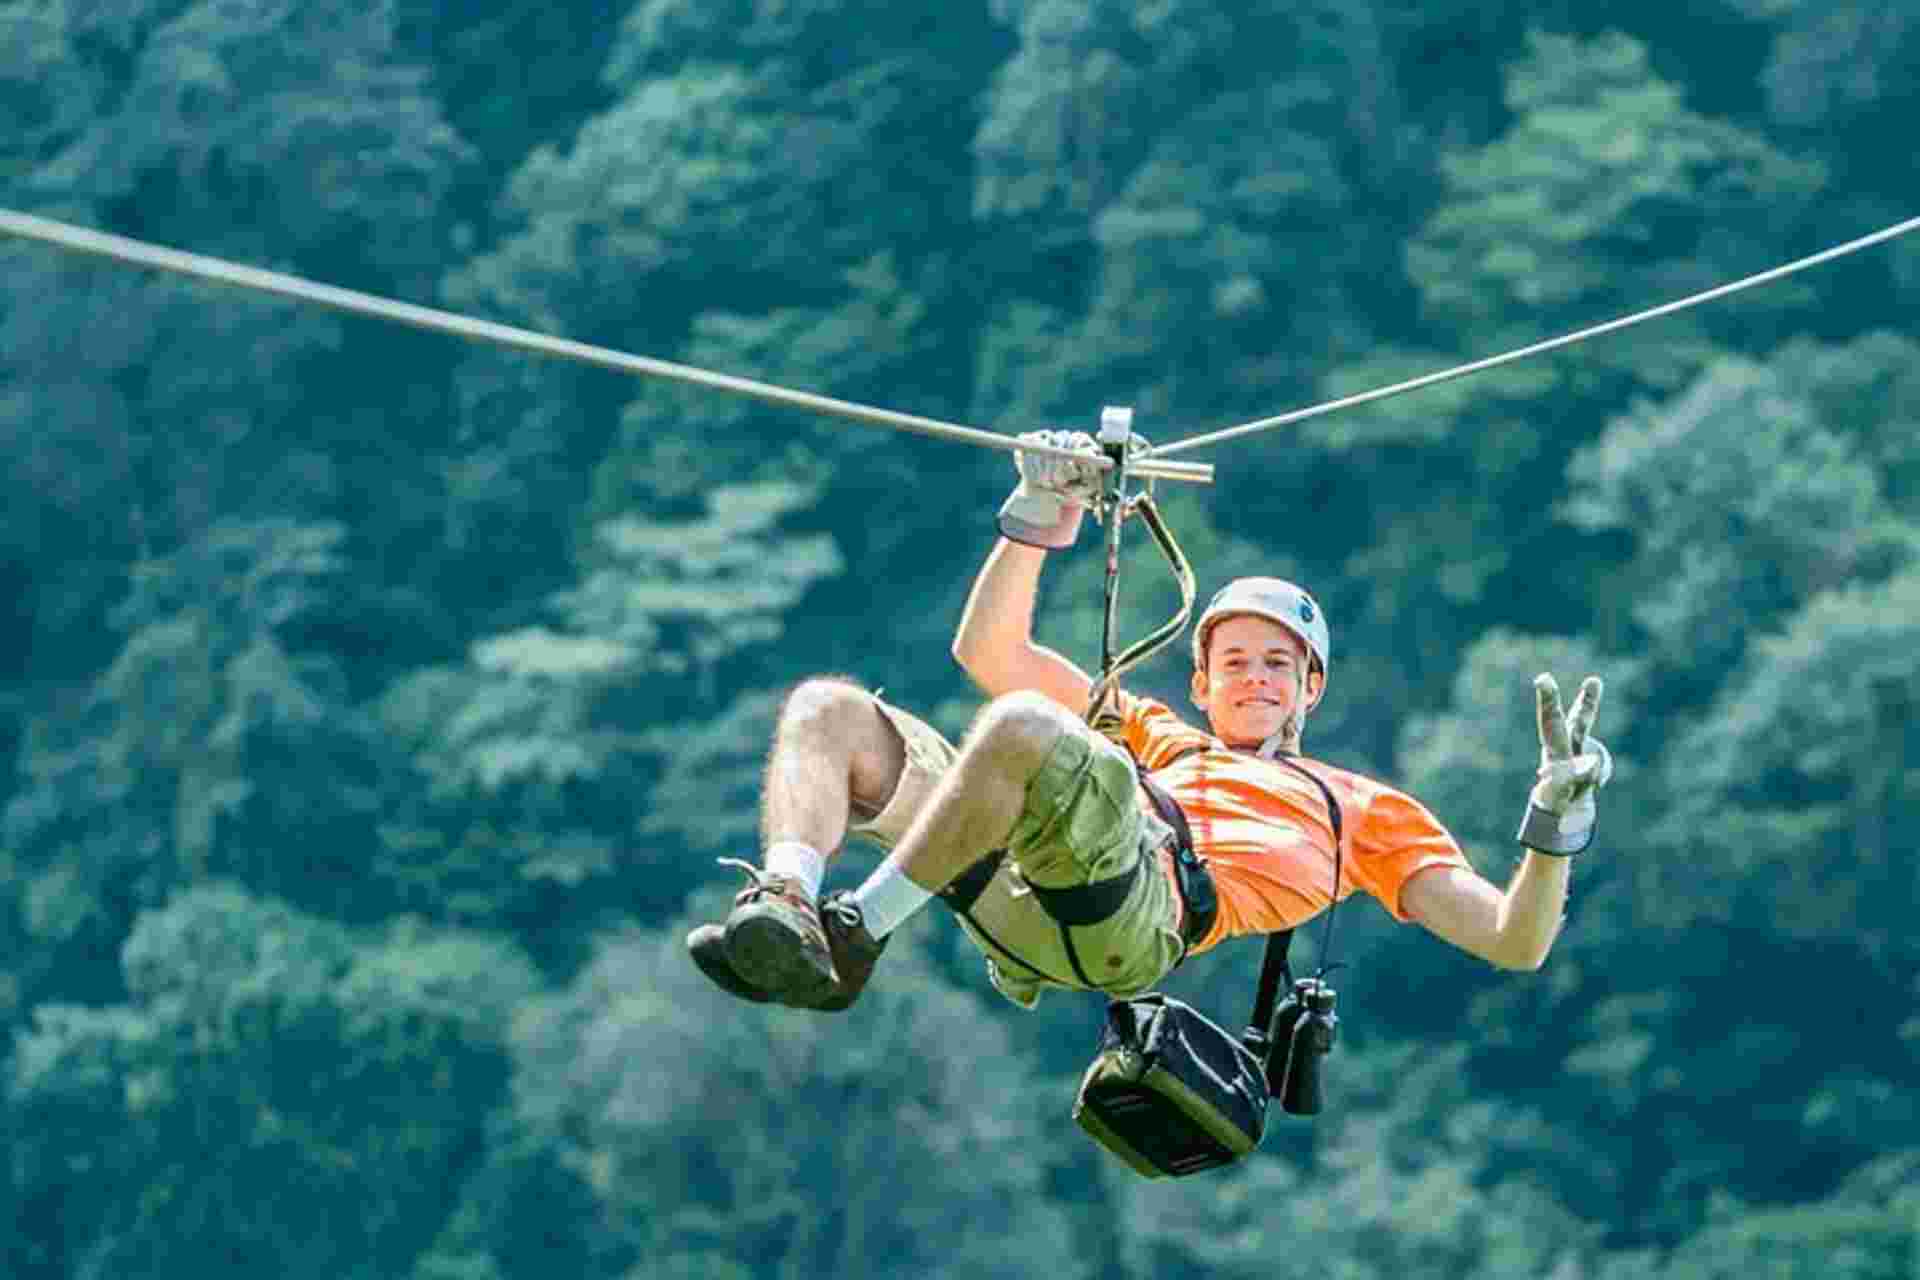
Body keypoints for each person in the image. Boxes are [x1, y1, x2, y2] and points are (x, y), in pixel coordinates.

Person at [687, 431, 1612, 1012]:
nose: (1257, 679)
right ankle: (790, 904)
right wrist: (1039, 510)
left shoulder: (1359, 811)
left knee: (1021, 729)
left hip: (1139, 915)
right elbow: (988, 650)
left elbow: (1512, 939)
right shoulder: (1158, 736)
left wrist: (1554, 826)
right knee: (829, 710)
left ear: (1310, 693)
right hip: (1027, 880)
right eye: (1235, 663)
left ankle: (860, 931)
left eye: (1279, 665)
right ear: (1201, 685)